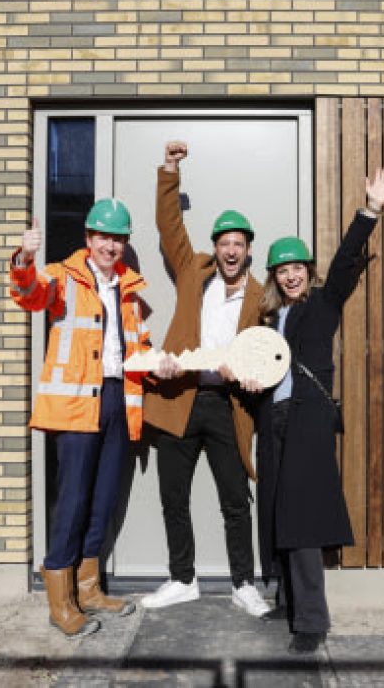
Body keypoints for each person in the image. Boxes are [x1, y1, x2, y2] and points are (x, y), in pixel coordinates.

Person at [256, 167, 384, 654]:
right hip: (272, 419)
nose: (291, 273)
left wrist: (370, 211)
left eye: (298, 266)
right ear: (273, 276)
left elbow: (344, 266)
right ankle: (287, 600)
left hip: (308, 420)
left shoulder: (323, 303)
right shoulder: (270, 318)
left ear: (307, 272)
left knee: (302, 518)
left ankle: (313, 622)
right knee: (276, 512)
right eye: (283, 268)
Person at [140, 141, 270, 617]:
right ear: (215, 248)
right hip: (180, 397)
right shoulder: (195, 273)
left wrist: (253, 377)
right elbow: (169, 226)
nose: (231, 249)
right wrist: (170, 171)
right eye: (224, 242)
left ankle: (243, 584)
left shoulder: (261, 297)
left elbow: (267, 357)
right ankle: (182, 579)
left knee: (236, 501)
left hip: (226, 405)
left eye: (239, 243)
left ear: (248, 250)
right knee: (173, 496)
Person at [9, 200, 147, 637]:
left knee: (103, 498)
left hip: (116, 400)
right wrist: (24, 259)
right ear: (88, 239)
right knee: (72, 502)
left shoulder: (128, 288)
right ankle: (61, 601)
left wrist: (155, 362)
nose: (111, 245)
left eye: (118, 238)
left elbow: (136, 346)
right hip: (75, 406)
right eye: (104, 237)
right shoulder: (62, 277)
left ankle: (89, 589)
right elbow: (28, 295)